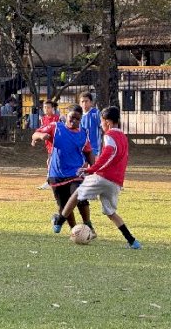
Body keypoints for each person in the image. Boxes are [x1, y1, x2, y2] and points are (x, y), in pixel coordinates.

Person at [53, 106, 141, 249]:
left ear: (108, 122)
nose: (101, 125)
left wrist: (91, 169)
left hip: (103, 177)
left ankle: (59, 221)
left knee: (76, 194)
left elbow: (108, 155)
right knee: (111, 213)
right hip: (116, 182)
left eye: (101, 122)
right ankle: (132, 241)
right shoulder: (124, 138)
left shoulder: (110, 136)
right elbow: (123, 159)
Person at [32, 105, 96, 235]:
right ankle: (75, 231)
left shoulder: (83, 133)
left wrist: (92, 170)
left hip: (75, 173)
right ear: (66, 116)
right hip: (56, 174)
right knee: (64, 205)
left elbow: (89, 152)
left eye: (78, 119)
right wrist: (41, 135)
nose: (74, 121)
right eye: (72, 117)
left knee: (80, 195)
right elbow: (35, 134)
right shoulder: (55, 127)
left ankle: (88, 225)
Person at [37, 100, 60, 190]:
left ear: (53, 108)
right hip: (49, 144)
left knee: (50, 162)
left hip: (57, 144)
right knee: (51, 162)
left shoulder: (57, 118)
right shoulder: (43, 119)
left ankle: (49, 182)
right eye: (45, 107)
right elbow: (42, 130)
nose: (46, 109)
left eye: (48, 107)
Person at [79, 92, 101, 159]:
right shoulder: (79, 115)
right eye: (82, 101)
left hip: (94, 148)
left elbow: (102, 128)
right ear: (80, 103)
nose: (84, 103)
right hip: (82, 147)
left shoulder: (96, 113)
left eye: (86, 101)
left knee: (93, 168)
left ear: (91, 102)